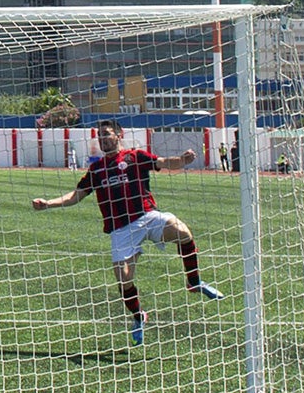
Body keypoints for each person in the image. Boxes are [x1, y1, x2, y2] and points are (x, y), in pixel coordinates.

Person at [31, 119, 223, 345]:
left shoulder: (135, 156)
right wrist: (48, 203)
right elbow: (77, 195)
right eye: (100, 135)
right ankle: (138, 316)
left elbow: (162, 162)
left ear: (119, 135)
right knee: (124, 281)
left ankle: (194, 281)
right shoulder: (96, 169)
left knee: (181, 232)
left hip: (147, 216)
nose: (102, 138)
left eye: (107, 134)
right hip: (121, 230)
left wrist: (182, 160)